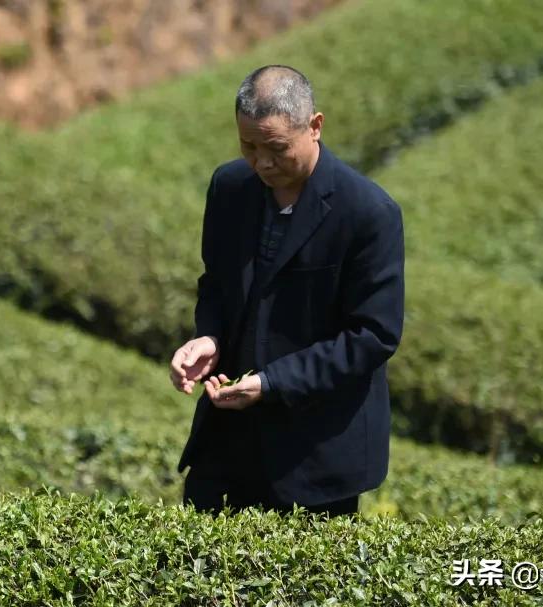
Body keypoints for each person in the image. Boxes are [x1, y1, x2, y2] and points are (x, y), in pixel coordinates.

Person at [168, 65, 405, 520]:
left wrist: (274, 383)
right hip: (227, 443)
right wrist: (210, 338)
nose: (261, 163)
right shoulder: (230, 188)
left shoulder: (368, 213)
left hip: (316, 457)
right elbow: (217, 284)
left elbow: (373, 335)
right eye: (248, 146)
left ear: (314, 126)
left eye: (276, 148)